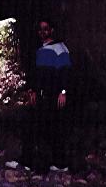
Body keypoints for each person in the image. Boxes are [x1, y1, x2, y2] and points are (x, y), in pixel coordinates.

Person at [25, 19, 72, 172]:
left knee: (55, 129)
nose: (42, 32)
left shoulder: (60, 48)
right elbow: (36, 74)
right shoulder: (40, 50)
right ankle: (30, 162)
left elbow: (66, 72)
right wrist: (32, 90)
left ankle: (59, 164)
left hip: (54, 96)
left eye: (45, 29)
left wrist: (63, 92)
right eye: (40, 29)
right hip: (42, 96)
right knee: (36, 127)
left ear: (51, 30)